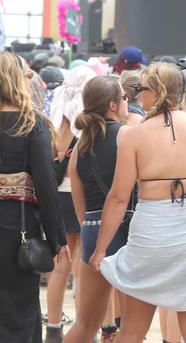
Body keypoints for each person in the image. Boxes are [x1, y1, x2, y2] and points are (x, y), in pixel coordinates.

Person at [89, 62, 186, 342]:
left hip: (152, 233)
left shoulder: (134, 135)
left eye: (140, 89)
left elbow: (119, 197)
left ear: (155, 91)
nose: (136, 95)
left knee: (132, 329)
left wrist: (100, 249)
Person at [0, 52, 70, 342]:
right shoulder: (33, 124)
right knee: (19, 307)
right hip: (19, 227)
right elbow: (46, 186)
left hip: (17, 224)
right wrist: (57, 239)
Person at [63, 76, 130, 343]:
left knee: (86, 322)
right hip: (126, 230)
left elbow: (79, 203)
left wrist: (92, 233)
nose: (128, 102)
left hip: (92, 229)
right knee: (132, 325)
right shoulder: (126, 136)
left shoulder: (80, 145)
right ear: (113, 105)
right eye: (125, 98)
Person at [47, 65, 97, 342]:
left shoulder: (57, 119)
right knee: (83, 264)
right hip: (83, 197)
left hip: (59, 197)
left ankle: (53, 326)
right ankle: (83, 323)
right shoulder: (86, 121)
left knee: (60, 265)